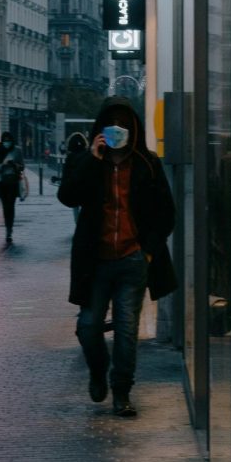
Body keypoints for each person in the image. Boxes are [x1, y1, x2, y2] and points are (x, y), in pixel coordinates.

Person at [58, 97, 177, 417]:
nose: (118, 131)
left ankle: (122, 391)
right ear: (101, 130)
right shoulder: (86, 160)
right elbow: (67, 196)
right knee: (88, 326)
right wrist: (92, 160)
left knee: (126, 330)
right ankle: (98, 371)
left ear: (134, 129)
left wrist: (147, 251)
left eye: (124, 126)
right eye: (111, 126)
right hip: (95, 262)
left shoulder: (147, 163)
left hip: (132, 260)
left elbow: (166, 214)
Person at [0, 132, 27, 245]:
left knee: (10, 206)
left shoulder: (17, 150)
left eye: (9, 141)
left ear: (12, 141)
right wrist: (3, 165)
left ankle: (9, 230)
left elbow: (22, 166)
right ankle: (8, 227)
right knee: (5, 206)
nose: (7, 143)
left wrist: (15, 165)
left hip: (13, 181)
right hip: (2, 182)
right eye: (5, 141)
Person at [64, 132, 88, 223]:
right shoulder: (87, 155)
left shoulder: (70, 157)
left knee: (75, 207)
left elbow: (67, 174)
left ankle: (77, 223)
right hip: (85, 187)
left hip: (74, 186)